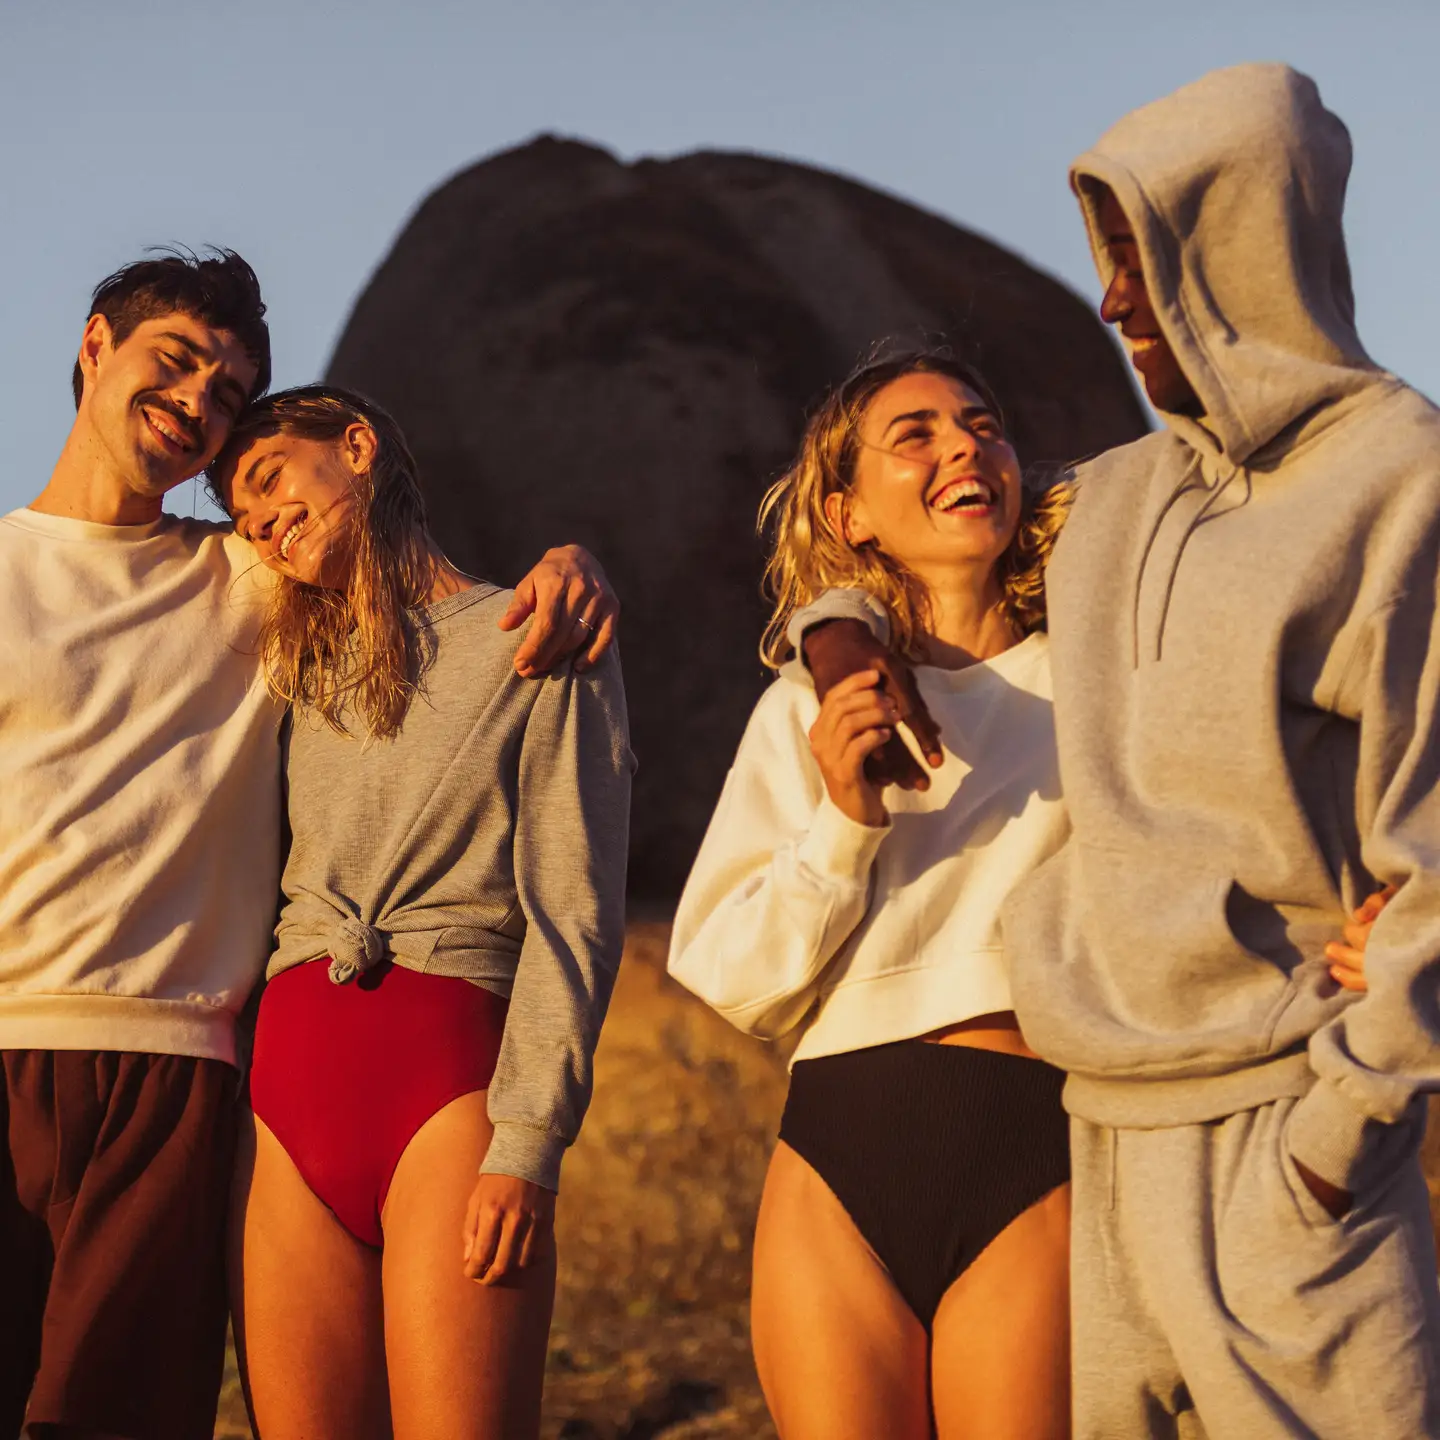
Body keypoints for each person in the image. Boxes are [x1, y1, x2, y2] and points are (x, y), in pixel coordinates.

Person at [798, 64, 1440, 1439]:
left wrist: (1345, 1134)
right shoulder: (1111, 499)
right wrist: (839, 640)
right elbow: (898, 548)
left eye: (1136, 257)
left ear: (1240, 244)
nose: (1108, 299)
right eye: (1104, 260)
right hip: (1099, 1143)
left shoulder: (1402, 480)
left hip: (1293, 1141)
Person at [0, 249, 618, 1440]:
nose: (197, 403)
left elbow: (423, 609)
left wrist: (575, 565)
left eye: (229, 394)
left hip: (176, 1073)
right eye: (173, 361)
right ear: (92, 345)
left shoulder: (250, 577)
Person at [209, 385, 632, 1440]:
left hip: (447, 1093)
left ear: (356, 447)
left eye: (269, 481)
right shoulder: (282, 669)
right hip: (284, 1106)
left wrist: (528, 1144)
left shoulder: (534, 638)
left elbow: (573, 910)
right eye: (243, 517)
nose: (261, 523)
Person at [669, 349, 1076, 1439]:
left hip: (1035, 1139)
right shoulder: (803, 711)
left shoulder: (1095, 682)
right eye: (919, 434)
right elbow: (732, 979)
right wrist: (843, 820)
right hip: (837, 1152)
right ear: (849, 515)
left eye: (983, 426)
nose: (964, 448)